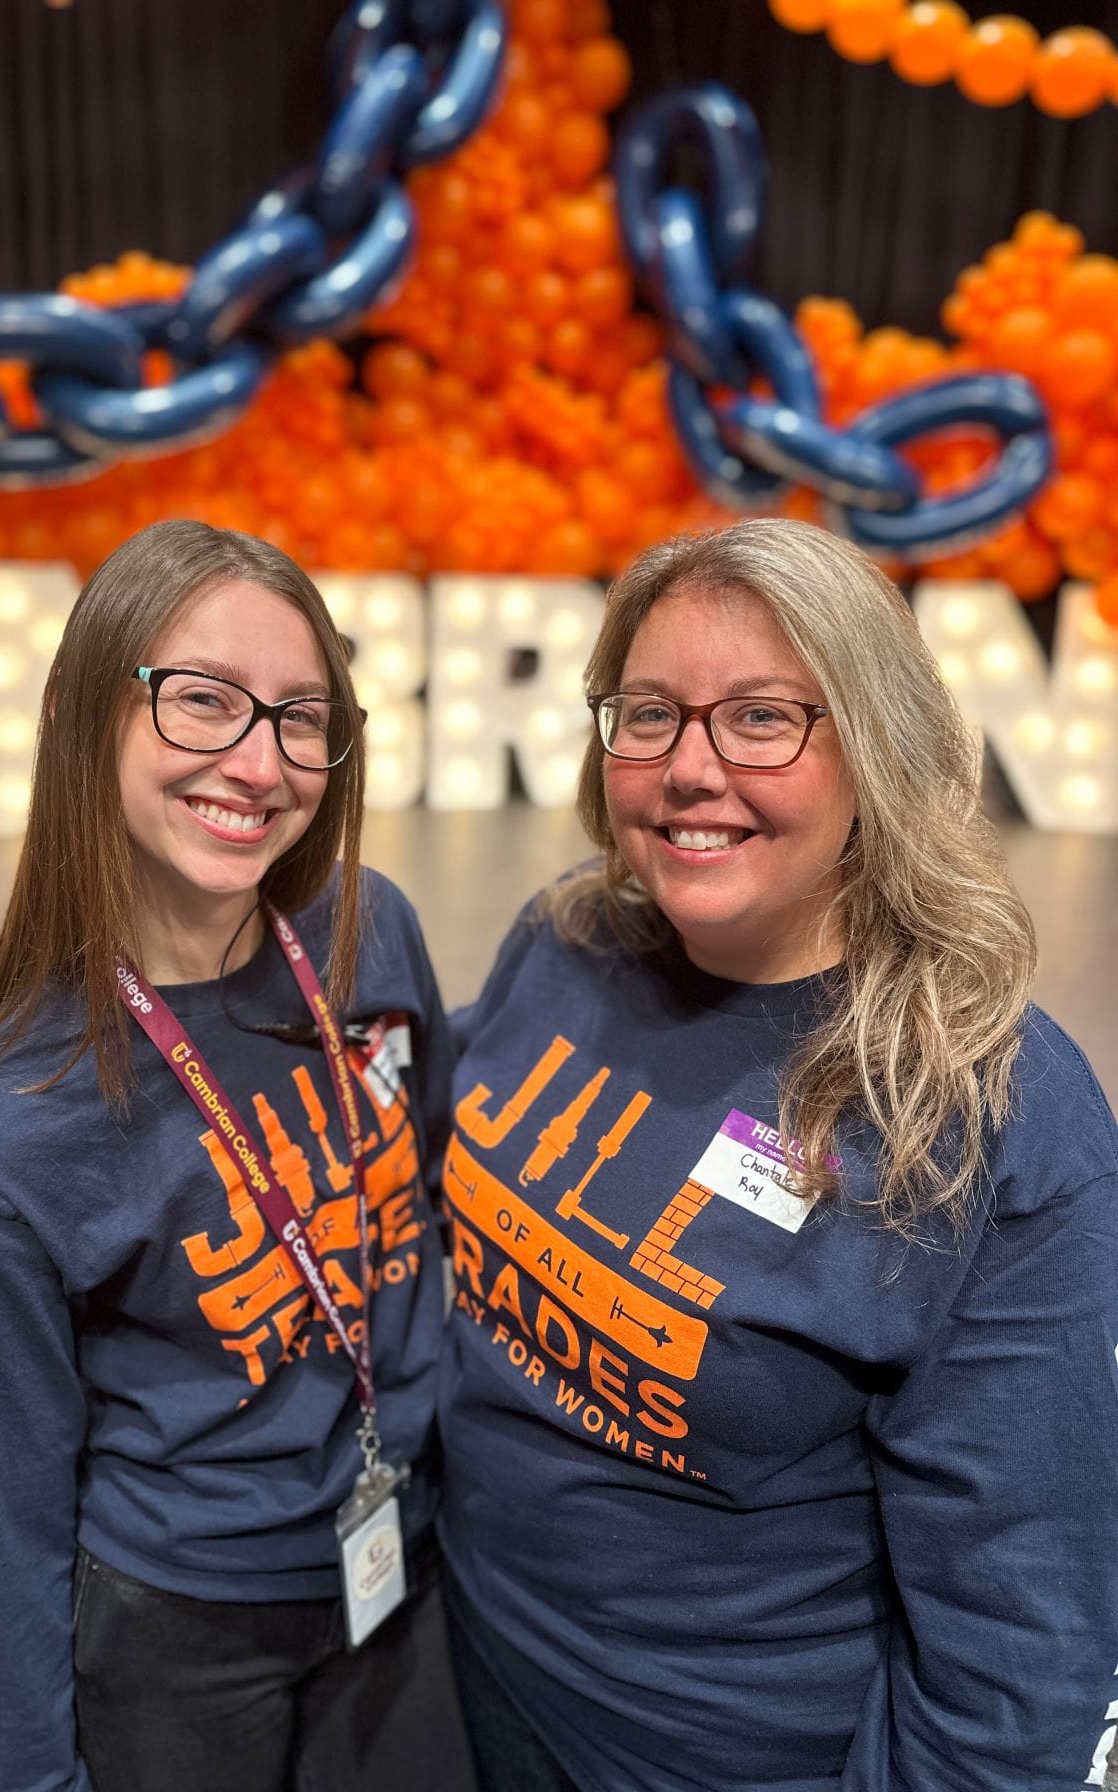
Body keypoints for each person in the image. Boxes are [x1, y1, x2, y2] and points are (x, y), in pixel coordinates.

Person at [437, 518, 1118, 1792]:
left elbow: (1017, 1650)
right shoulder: (568, 943)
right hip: (455, 1688)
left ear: (872, 746)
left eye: (760, 718)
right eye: (649, 713)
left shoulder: (983, 1112)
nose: (690, 767)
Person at [0, 520, 471, 1792]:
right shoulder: (4, 1141)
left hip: (403, 1563)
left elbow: (432, 1196)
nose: (257, 762)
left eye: (299, 716)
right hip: (180, 1633)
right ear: (78, 711)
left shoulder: (366, 934)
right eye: (202, 702)